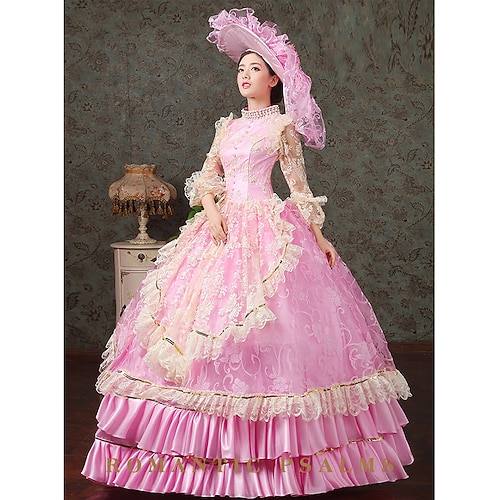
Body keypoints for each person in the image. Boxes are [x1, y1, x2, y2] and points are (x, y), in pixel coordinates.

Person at [82, 8, 413, 497]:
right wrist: (212, 210)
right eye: (241, 68)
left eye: (254, 68)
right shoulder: (228, 127)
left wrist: (319, 236)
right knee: (198, 322)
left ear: (274, 79)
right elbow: (207, 177)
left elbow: (298, 188)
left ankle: (273, 449)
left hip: (265, 226)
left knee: (272, 321)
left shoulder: (282, 127)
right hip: (219, 228)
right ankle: (199, 448)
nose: (244, 75)